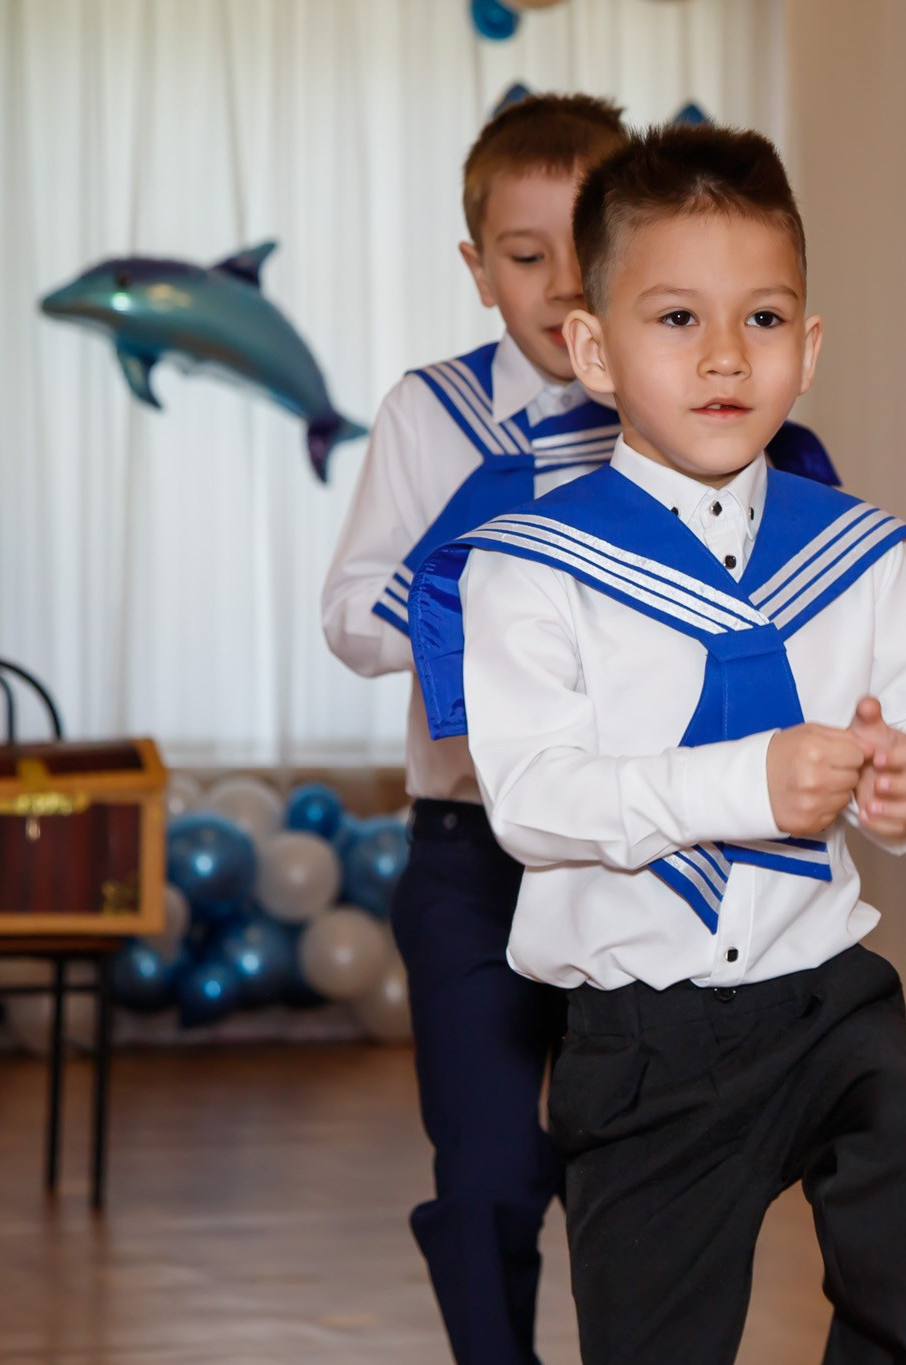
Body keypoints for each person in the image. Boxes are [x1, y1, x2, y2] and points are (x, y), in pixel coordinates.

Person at [407, 123, 906, 1365]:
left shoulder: (855, 551)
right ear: (592, 349)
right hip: (642, 1040)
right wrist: (750, 782)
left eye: (762, 319)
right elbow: (535, 800)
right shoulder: (529, 569)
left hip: (820, 994)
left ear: (808, 348)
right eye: (677, 318)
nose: (726, 355)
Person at [319, 92, 627, 1365]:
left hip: (631, 852)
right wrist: (465, 559)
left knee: (630, 1170)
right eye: (523, 253)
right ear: (476, 266)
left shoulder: (671, 416)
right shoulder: (428, 415)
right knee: (493, 1168)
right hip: (470, 856)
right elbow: (351, 622)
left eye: (584, 246)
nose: (560, 285)